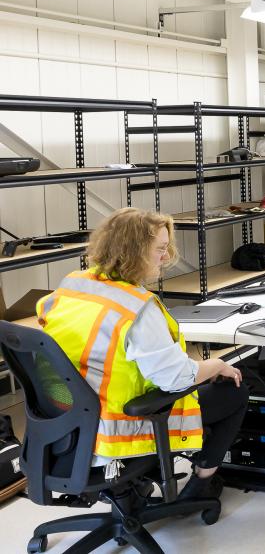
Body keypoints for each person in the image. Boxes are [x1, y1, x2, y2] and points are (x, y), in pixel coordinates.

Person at [37, 208, 248, 500]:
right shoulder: (137, 308)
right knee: (233, 390)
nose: (166, 256)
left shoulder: (73, 285)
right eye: (160, 249)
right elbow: (175, 379)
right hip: (117, 431)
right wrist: (216, 365)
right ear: (134, 251)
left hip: (66, 427)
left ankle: (132, 486)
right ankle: (201, 486)